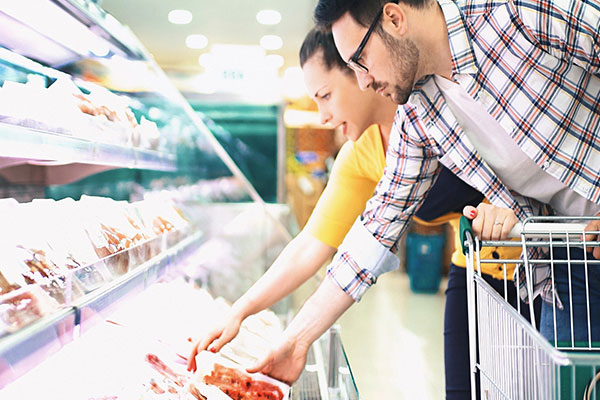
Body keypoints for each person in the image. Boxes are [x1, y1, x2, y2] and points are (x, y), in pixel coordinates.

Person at [239, 0, 599, 394]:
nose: (363, 82)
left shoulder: (515, 13)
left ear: (394, 18)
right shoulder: (420, 113)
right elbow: (375, 231)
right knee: (567, 388)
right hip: (571, 257)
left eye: (361, 61)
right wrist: (297, 340)